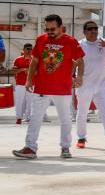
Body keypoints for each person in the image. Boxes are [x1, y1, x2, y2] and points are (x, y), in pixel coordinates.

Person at [13, 14, 85, 159]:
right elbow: (34, 61)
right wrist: (29, 80)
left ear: (61, 27)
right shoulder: (41, 39)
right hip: (41, 87)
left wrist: (79, 76)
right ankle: (30, 148)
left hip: (62, 88)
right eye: (47, 29)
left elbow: (80, 60)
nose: (50, 32)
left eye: (53, 29)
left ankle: (65, 147)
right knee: (35, 118)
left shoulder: (71, 41)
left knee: (65, 119)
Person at [75, 21, 105, 149]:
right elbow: (73, 63)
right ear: (84, 32)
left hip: (102, 85)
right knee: (82, 112)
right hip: (85, 85)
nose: (94, 31)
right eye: (90, 29)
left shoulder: (104, 42)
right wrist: (74, 78)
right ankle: (81, 137)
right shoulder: (79, 45)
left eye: (95, 28)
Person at [11, 43, 33, 125]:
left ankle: (29, 117)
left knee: (31, 102)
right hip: (20, 84)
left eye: (31, 49)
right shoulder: (18, 59)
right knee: (19, 102)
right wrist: (23, 69)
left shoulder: (34, 59)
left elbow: (38, 72)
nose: (29, 50)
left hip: (31, 84)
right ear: (23, 50)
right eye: (28, 49)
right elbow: (13, 71)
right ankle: (18, 118)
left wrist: (30, 71)